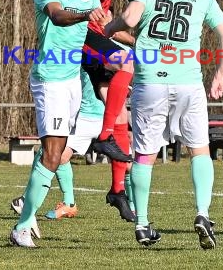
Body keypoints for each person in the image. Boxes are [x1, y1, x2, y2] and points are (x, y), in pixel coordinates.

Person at [104, 0, 223, 249]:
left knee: (145, 155)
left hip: (151, 82)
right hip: (188, 82)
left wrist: (109, 27)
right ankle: (202, 213)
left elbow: (132, 18)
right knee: (199, 150)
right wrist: (219, 74)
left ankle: (143, 223)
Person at [9, 0, 105, 248]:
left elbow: (98, 32)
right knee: (52, 154)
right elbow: (57, 15)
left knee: (55, 154)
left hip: (72, 81)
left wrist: (132, 46)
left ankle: (28, 206)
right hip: (49, 79)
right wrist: (84, 14)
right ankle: (22, 226)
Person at [11, 68, 136, 228]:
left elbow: (126, 82)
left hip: (100, 118)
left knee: (126, 163)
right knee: (56, 154)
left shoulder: (107, 55)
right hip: (86, 117)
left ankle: (132, 205)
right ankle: (67, 203)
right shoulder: (79, 56)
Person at [81, 0, 138, 221]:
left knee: (122, 117)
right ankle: (103, 136)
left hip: (100, 37)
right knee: (126, 61)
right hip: (80, 37)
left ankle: (117, 190)